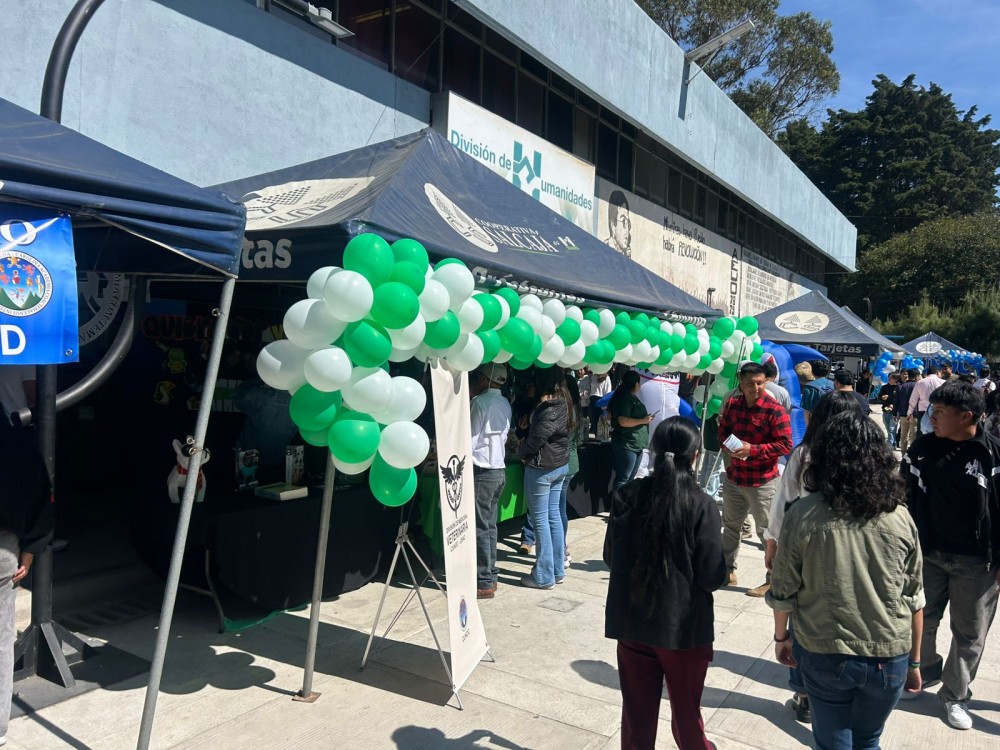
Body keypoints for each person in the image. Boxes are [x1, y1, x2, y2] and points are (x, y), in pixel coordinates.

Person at [768, 410, 924, 750]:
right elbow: (914, 598)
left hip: (825, 651)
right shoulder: (901, 518)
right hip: (890, 654)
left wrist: (781, 638)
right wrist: (914, 661)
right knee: (868, 740)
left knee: (833, 740)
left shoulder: (803, 513)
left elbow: (783, 590)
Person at [604, 417, 727, 750]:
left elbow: (610, 557)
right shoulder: (702, 504)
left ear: (652, 451)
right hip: (683, 630)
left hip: (632, 624)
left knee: (636, 717)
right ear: (696, 455)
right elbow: (711, 574)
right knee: (687, 717)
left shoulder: (627, 494)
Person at [903, 381, 1000, 730]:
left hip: (978, 564)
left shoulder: (992, 455)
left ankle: (954, 695)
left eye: (941, 412)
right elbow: (905, 494)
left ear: (967, 417)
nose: (933, 417)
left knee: (970, 633)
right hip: (928, 556)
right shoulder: (923, 449)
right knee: (921, 620)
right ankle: (923, 672)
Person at [763, 392, 863, 724]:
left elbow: (784, 502)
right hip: (852, 553)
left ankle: (805, 692)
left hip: (806, 549)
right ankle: (836, 686)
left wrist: (773, 541)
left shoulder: (804, 455)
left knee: (801, 616)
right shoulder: (865, 457)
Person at [0, 409, 53, 746]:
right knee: (0, 640)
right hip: (2, 545)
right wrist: (31, 547)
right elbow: (38, 492)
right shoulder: (12, 438)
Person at [717, 362, 792, 594]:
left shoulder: (774, 410)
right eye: (750, 384)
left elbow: (786, 444)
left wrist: (753, 450)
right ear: (741, 383)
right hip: (735, 478)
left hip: (763, 482)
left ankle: (773, 579)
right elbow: (723, 431)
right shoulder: (733, 404)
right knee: (730, 527)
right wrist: (729, 446)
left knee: (767, 532)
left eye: (760, 383)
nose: (756, 388)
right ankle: (727, 571)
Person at [516, 367, 571, 590]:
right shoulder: (564, 402)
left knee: (542, 521)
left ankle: (544, 575)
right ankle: (557, 570)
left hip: (542, 467)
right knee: (553, 518)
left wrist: (521, 452)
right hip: (558, 465)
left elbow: (538, 438)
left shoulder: (549, 407)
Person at [470, 363, 512, 600]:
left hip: (483, 470)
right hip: (498, 468)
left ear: (485, 379)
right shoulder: (505, 403)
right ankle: (490, 576)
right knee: (489, 526)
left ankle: (484, 580)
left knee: (481, 527)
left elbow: (470, 439)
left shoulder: (480, 403)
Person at [608, 371, 653, 490]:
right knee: (623, 478)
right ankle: (617, 504)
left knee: (630, 478)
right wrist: (643, 421)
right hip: (626, 444)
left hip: (636, 444)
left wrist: (644, 420)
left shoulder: (632, 397)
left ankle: (625, 503)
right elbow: (623, 421)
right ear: (636, 383)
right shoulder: (624, 398)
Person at [895, 368, 920, 453]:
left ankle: (903, 454)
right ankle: (912, 454)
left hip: (903, 414)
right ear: (916, 376)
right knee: (914, 435)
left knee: (903, 436)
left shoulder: (901, 386)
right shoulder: (918, 385)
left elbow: (896, 401)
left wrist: (894, 413)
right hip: (915, 413)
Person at [800, 359, 832, 424]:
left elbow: (807, 411)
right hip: (832, 423)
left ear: (812, 371)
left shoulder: (810, 387)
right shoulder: (834, 385)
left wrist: (808, 427)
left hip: (816, 424)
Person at [605, 190, 632, 258]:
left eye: (628, 223)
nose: (627, 230)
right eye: (623, 222)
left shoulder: (626, 254)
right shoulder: (605, 251)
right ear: (613, 225)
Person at [878, 372, 900, 448]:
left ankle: (890, 443)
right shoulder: (884, 387)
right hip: (886, 409)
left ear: (896, 379)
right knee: (887, 425)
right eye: (889, 377)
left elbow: (900, 399)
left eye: (891, 377)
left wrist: (893, 405)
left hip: (895, 411)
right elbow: (879, 396)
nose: (889, 379)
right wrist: (882, 397)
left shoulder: (899, 387)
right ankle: (893, 441)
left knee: (892, 427)